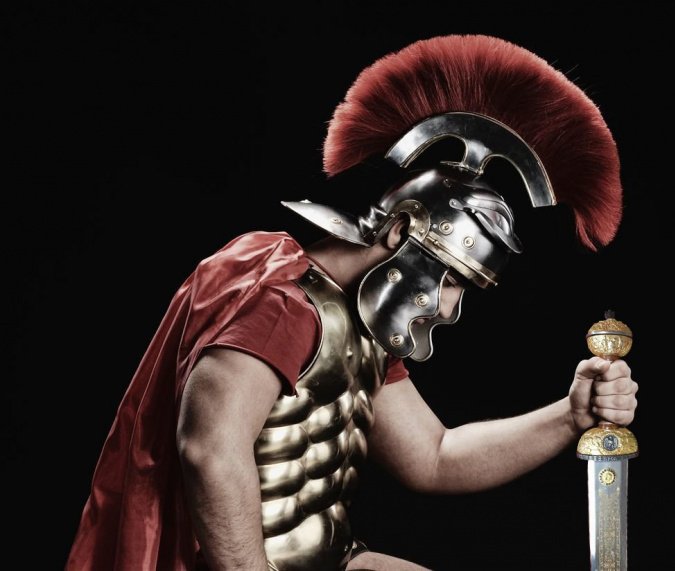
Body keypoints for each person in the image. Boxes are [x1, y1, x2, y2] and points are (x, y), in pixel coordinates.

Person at [67, 35, 637, 571]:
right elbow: (209, 450)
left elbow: (434, 456)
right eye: (453, 281)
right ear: (401, 232)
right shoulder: (279, 300)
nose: (448, 309)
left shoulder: (359, 322)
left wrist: (572, 414)